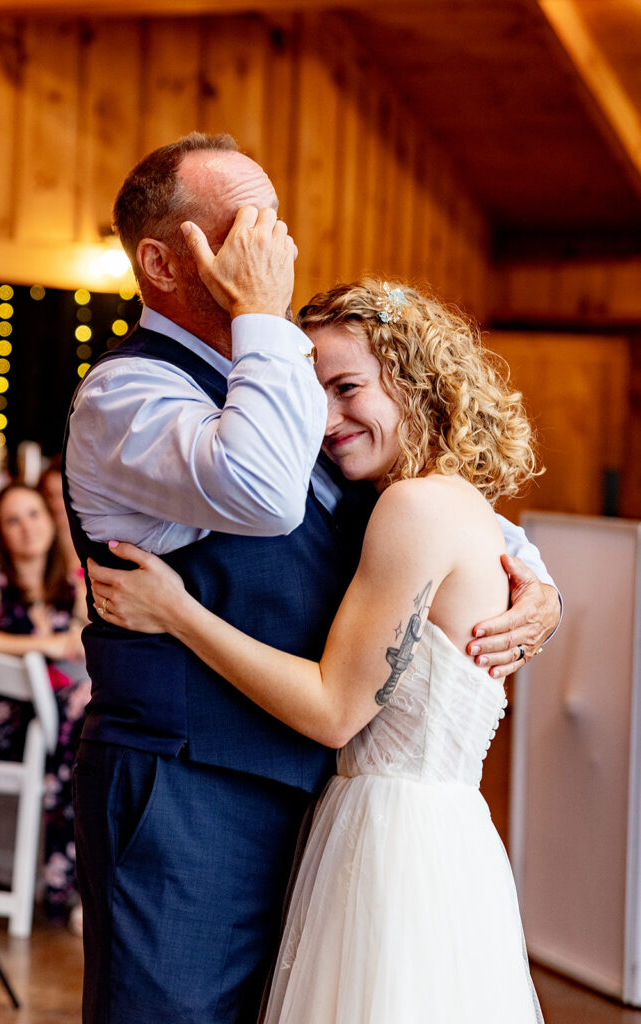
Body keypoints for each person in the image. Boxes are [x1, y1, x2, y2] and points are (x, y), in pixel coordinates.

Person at [63, 132, 560, 1022]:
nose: (272, 248)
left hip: (313, 801)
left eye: (274, 223)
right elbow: (261, 491)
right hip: (185, 788)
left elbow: (403, 511)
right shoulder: (128, 394)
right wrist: (263, 319)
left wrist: (530, 575)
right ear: (161, 260)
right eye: (243, 226)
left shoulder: (284, 383)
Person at [0, 482, 90, 929]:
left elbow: (80, 648)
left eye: (34, 514)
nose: (27, 528)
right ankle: (68, 888)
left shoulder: (66, 588)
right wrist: (46, 643)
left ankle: (71, 883)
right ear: (0, 532)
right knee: (81, 722)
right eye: (12, 520)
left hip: (46, 724)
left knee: (88, 711)